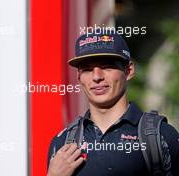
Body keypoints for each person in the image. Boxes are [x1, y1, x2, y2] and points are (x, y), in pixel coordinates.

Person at [47, 30, 179, 176]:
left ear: (129, 70)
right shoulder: (62, 143)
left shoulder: (162, 136)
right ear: (79, 77)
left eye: (106, 67)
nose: (97, 77)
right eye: (87, 69)